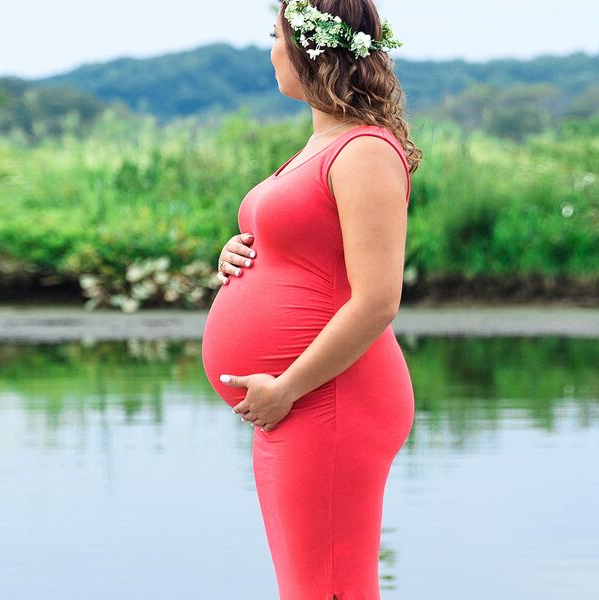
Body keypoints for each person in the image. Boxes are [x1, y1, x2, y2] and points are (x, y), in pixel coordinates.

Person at [200, 1, 422, 597]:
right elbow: (309, 249)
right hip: (293, 402)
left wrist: (288, 387)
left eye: (274, 36)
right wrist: (245, 253)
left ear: (309, 47)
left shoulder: (366, 151)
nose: (269, 50)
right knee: (312, 585)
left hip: (328, 397)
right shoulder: (318, 148)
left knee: (328, 586)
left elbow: (377, 299)